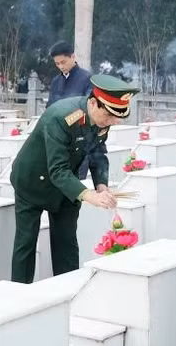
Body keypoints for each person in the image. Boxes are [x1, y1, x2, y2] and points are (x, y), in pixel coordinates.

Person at [10, 74, 140, 283]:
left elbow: (98, 153)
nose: (111, 122)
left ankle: (67, 292)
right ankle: (18, 296)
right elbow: (57, 169)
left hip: (67, 186)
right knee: (26, 243)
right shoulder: (61, 118)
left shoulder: (101, 118)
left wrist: (101, 185)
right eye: (108, 117)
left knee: (67, 242)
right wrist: (88, 195)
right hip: (33, 181)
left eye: (116, 118)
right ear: (92, 103)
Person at [48, 41, 95, 179]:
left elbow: (87, 109)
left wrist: (65, 122)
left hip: (79, 139)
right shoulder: (56, 81)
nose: (61, 67)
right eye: (57, 64)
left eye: (63, 62)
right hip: (58, 141)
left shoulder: (87, 79)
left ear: (73, 57)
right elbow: (50, 108)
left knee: (76, 185)